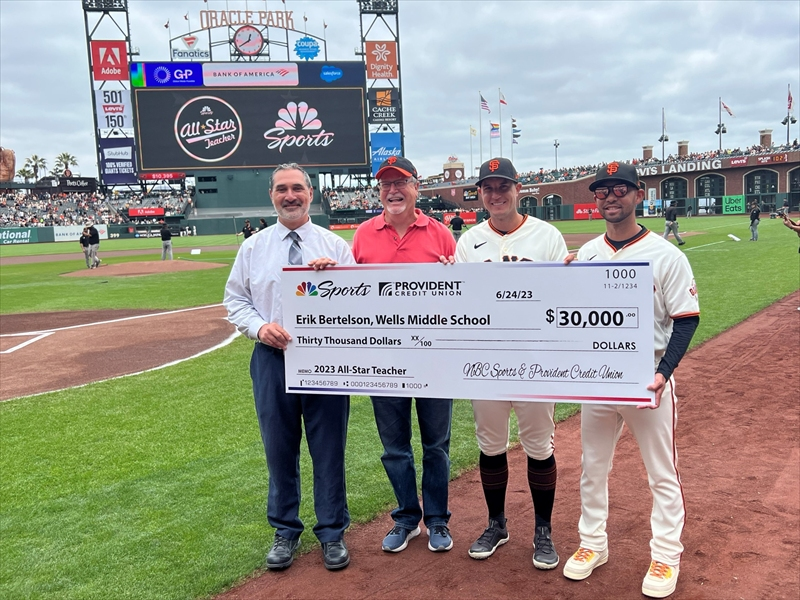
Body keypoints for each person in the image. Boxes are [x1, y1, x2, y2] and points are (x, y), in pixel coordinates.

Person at [563, 162, 700, 599]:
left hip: (646, 377)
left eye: (620, 189)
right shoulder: (587, 254)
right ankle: (593, 543)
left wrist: (663, 373)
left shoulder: (666, 254)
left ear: (639, 194)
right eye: (603, 191)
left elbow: (686, 319)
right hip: (599, 378)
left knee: (661, 471)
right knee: (592, 467)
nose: (610, 197)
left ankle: (666, 554)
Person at [224, 163, 355, 572]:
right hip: (271, 360)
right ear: (272, 195)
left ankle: (331, 532)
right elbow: (235, 300)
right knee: (279, 449)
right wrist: (259, 327)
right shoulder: (253, 248)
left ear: (311, 194)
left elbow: (359, 305)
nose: (290, 195)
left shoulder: (335, 247)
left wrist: (337, 282)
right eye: (282, 189)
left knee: (328, 449)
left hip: (325, 360)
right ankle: (285, 530)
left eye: (297, 187)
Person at [455, 157, 568, 568]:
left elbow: (566, 295)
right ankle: (496, 523)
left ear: (519, 189)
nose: (496, 193)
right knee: (490, 445)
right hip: (487, 361)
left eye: (503, 186)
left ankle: (543, 530)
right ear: (480, 194)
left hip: (536, 359)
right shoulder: (468, 241)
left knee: (539, 446)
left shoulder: (547, 236)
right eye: (488, 187)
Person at [352, 155, 456, 554]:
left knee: (436, 445)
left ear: (416, 187)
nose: (393, 191)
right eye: (385, 185)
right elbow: (346, 296)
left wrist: (454, 276)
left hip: (434, 356)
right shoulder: (363, 235)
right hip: (383, 357)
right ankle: (407, 518)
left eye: (400, 183)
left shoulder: (440, 234)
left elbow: (459, 295)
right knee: (394, 447)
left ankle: (438, 520)